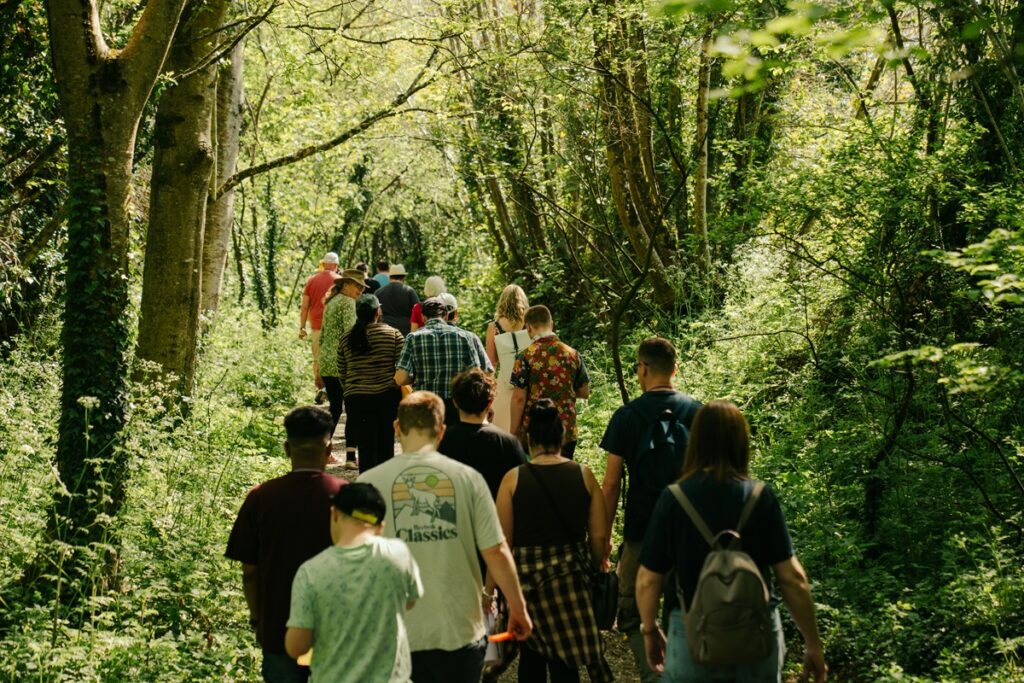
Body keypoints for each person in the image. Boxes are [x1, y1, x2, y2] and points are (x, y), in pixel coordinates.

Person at [636, 400, 827, 683]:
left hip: (691, 631)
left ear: (696, 441)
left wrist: (650, 630)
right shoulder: (760, 496)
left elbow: (648, 580)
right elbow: (793, 579)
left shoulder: (674, 499)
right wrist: (813, 642)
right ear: (741, 441)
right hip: (756, 633)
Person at [357, 391, 533, 683]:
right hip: (459, 631)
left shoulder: (367, 484)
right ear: (441, 431)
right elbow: (497, 550)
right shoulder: (468, 479)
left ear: (397, 428)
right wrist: (517, 607)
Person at [599, 337, 701, 682]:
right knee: (682, 606)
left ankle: (652, 672)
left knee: (629, 609)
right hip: (690, 529)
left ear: (642, 368)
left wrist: (602, 539)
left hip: (642, 529)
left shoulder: (627, 416)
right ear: (675, 369)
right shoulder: (698, 412)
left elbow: (611, 484)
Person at [493, 399, 613, 683]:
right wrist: (591, 569)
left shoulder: (512, 479)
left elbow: (503, 542)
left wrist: (498, 588)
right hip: (569, 582)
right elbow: (598, 536)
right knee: (565, 659)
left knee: (531, 656)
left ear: (529, 438)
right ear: (561, 436)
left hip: (526, 582)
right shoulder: (583, 475)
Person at [226, 406, 346, 683]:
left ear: (286, 449)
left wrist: (257, 619)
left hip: (280, 629)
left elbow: (250, 572)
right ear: (328, 450)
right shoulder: (347, 497)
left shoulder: (261, 498)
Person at [285, 483, 424, 683]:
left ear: (334, 514)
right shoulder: (398, 555)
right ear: (380, 528)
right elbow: (409, 601)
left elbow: (297, 647)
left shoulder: (311, 572)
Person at [395, 297, 493, 426]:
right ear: (446, 316)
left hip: (426, 406)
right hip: (459, 406)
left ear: (423, 317)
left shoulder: (413, 338)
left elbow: (401, 379)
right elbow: (481, 373)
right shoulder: (466, 336)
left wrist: (417, 376)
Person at [509, 305, 590, 459]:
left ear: (528, 328)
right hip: (565, 429)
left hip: (535, 430)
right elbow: (584, 392)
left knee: (537, 478)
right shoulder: (572, 354)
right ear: (551, 324)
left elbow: (519, 398)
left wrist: (513, 433)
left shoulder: (525, 357)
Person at [339, 294, 405, 473]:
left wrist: (352, 389)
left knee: (366, 448)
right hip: (386, 397)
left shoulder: (346, 338)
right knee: (385, 447)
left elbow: (342, 372)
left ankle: (367, 489)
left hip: (356, 399)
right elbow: (402, 368)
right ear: (378, 311)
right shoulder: (393, 334)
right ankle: (385, 489)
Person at [439, 369, 527, 499]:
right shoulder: (509, 443)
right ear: (490, 402)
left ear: (455, 402)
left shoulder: (440, 441)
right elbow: (521, 488)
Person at [319, 268, 366, 467]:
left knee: (336, 408)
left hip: (326, 362)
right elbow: (350, 333)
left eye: (362, 287)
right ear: (346, 284)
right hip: (342, 363)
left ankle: (323, 449)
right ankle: (349, 456)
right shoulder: (347, 303)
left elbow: (322, 335)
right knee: (352, 409)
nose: (360, 291)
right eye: (357, 286)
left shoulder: (331, 302)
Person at [484, 285, 531, 433]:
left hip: (505, 382)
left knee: (502, 429)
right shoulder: (529, 325)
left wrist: (487, 393)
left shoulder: (494, 327)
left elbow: (491, 363)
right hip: (528, 381)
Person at [299, 252, 342, 395]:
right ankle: (333, 389)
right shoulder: (340, 281)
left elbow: (305, 306)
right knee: (336, 357)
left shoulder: (311, 280)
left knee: (318, 357)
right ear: (336, 265)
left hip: (316, 326)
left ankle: (319, 387)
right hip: (336, 327)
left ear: (323, 264)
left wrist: (302, 327)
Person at [377, 264, 419, 336]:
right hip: (405, 332)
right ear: (404, 277)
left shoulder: (379, 292)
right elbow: (417, 311)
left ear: (389, 277)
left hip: (385, 333)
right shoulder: (409, 291)